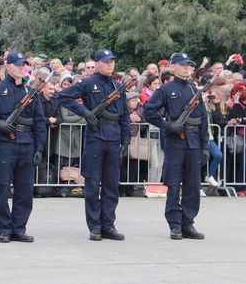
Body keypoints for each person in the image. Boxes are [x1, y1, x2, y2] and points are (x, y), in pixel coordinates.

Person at [0, 51, 46, 243]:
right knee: (3, 188)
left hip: (27, 143)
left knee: (24, 190)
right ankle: (4, 229)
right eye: (19, 64)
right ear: (9, 66)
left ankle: (19, 228)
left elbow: (39, 121)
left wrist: (39, 148)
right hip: (6, 144)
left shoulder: (31, 92)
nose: (23, 68)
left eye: (25, 65)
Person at [58, 49, 130, 242]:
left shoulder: (117, 86)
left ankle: (108, 225)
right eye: (106, 61)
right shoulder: (88, 83)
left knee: (111, 185)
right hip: (96, 137)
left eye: (112, 61)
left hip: (114, 138)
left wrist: (126, 140)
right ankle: (95, 226)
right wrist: (84, 112)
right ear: (96, 64)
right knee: (92, 184)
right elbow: (64, 97)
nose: (110, 64)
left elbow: (124, 116)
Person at [144, 52, 208, 240]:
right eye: (182, 65)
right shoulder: (165, 89)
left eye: (189, 65)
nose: (187, 68)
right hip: (175, 142)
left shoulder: (193, 90)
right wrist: (167, 125)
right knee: (173, 185)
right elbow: (149, 111)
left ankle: (188, 223)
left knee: (193, 185)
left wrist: (204, 146)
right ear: (173, 67)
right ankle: (175, 224)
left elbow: (203, 120)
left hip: (194, 142)